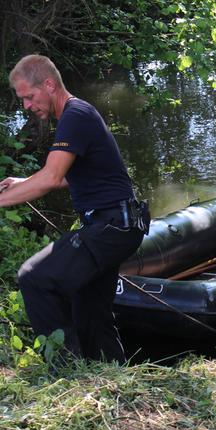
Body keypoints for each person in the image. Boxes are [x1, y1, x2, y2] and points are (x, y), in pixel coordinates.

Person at [0, 54, 149, 364]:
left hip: (111, 226)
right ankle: (114, 375)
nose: (27, 105)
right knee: (90, 313)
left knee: (34, 277)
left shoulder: (75, 115)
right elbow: (65, 177)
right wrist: (23, 181)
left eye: (29, 96)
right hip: (117, 225)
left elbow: (51, 177)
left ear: (49, 85)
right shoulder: (76, 115)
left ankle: (65, 370)